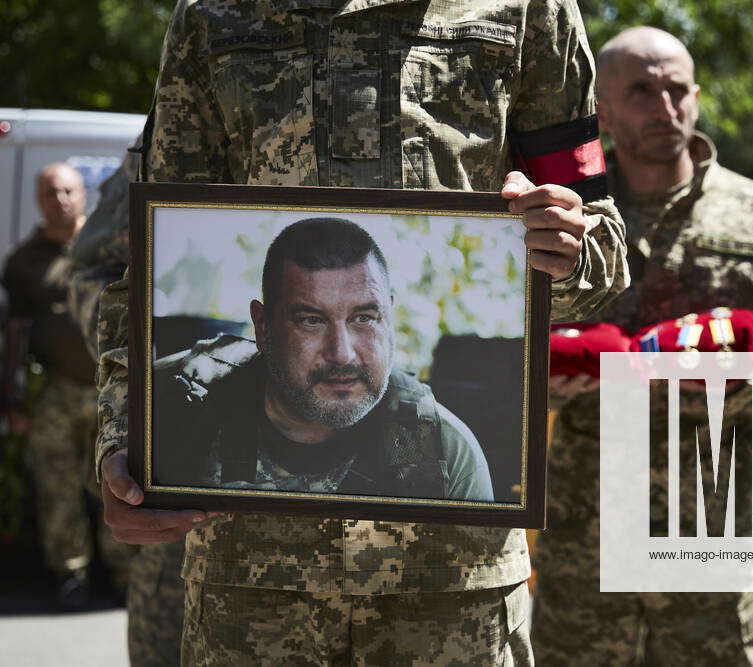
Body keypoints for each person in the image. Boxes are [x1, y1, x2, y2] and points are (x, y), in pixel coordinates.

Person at [96, 0, 629, 663]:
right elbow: (148, 257)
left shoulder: (530, 9)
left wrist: (570, 250)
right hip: (255, 580)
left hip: (448, 586)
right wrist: (125, 439)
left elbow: (602, 241)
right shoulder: (212, 14)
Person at [530, 27, 753, 665]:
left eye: (676, 90)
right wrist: (551, 376)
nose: (664, 107)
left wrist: (733, 374)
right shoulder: (568, 222)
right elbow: (507, 345)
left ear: (696, 99)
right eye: (641, 91)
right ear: (603, 111)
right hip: (586, 524)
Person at [153, 217, 494, 500]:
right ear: (263, 327)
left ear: (388, 317)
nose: (341, 353)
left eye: (363, 318)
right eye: (311, 320)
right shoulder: (183, 397)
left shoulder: (442, 449)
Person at [67, 147, 186, 666]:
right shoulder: (192, 86)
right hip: (197, 528)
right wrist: (141, 380)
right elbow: (96, 269)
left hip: (423, 565)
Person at [1, 163, 133, 609]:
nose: (59, 199)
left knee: (118, 482)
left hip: (110, 390)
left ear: (83, 195)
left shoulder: (106, 249)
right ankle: (70, 573)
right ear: (38, 201)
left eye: (67, 191)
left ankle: (124, 572)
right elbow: (15, 332)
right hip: (56, 392)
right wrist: (13, 399)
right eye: (49, 192)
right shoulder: (23, 261)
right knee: (56, 486)